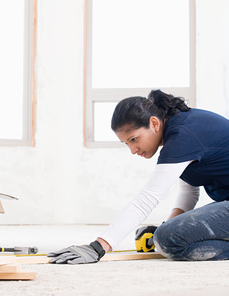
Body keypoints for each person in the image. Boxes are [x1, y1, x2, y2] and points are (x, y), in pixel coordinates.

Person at [48, 89, 229, 264]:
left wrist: (99, 246)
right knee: (166, 232)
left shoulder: (183, 136)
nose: (133, 150)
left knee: (168, 239)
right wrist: (167, 224)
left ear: (154, 123)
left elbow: (146, 200)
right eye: (126, 143)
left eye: (134, 139)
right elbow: (189, 193)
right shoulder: (180, 129)